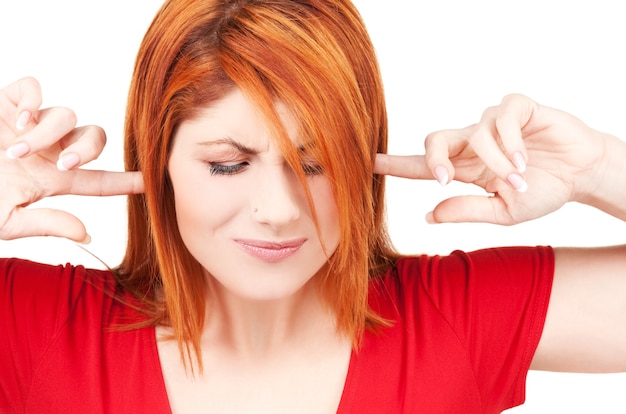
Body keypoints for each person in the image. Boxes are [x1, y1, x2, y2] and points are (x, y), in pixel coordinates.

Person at [0, 0, 625, 413]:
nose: (278, 210)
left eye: (317, 162)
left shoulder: (453, 320)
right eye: (227, 164)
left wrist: (597, 169)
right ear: (157, 160)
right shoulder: (40, 330)